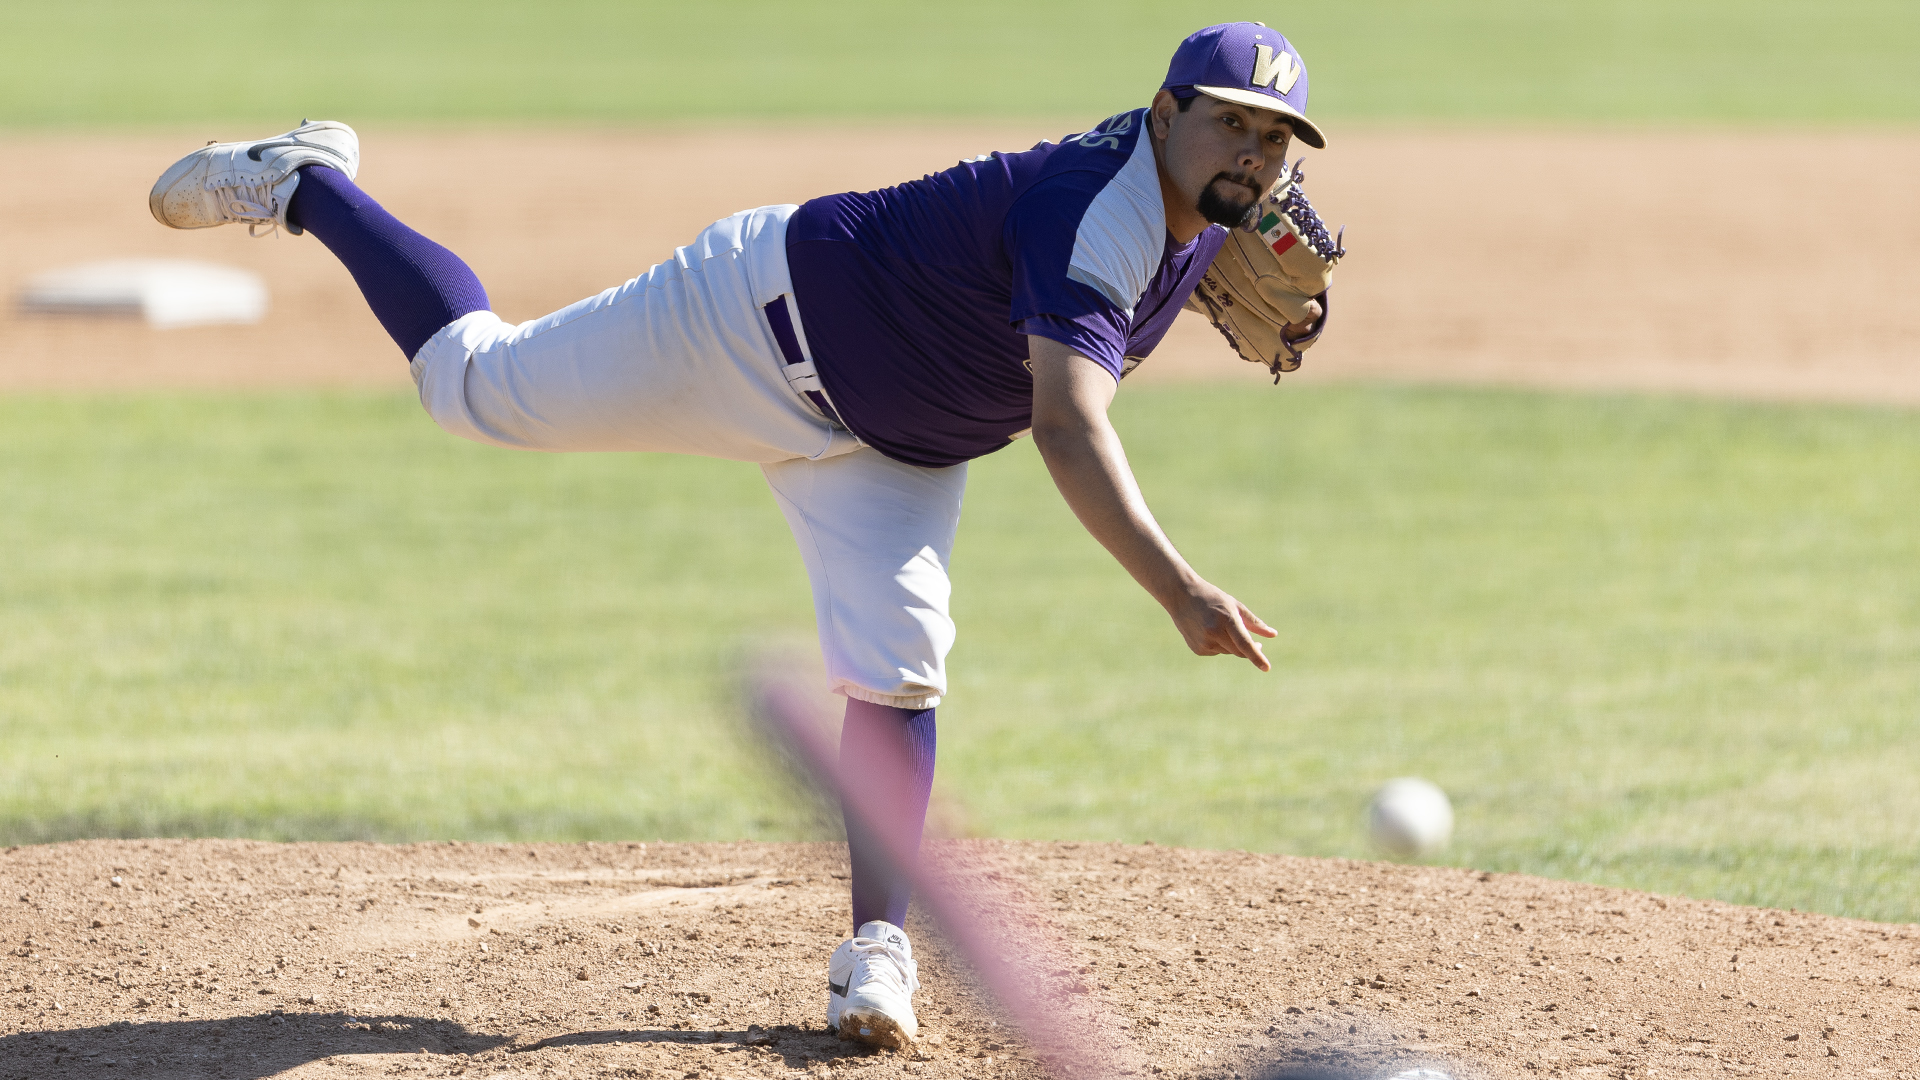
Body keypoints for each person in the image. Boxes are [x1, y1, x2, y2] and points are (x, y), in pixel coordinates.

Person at [148, 21, 1330, 1049]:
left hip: (897, 447)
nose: (1256, 156)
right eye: (1232, 125)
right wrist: (1177, 589)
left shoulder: (1214, 218)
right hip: (746, 326)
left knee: (902, 662)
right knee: (474, 388)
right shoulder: (1099, 213)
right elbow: (1069, 430)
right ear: (1165, 109)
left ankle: (878, 952)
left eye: (1277, 139)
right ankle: (307, 183)